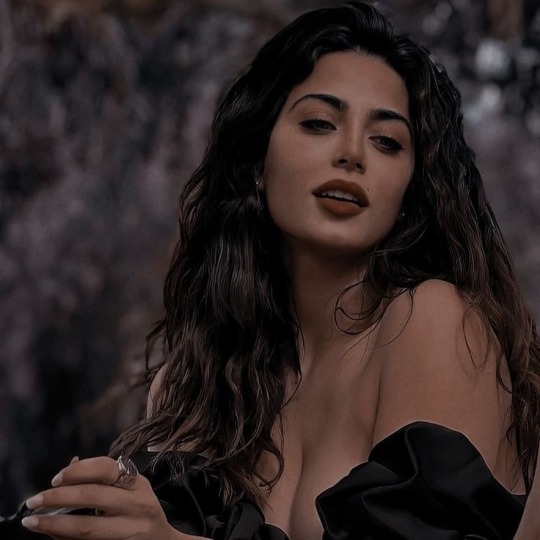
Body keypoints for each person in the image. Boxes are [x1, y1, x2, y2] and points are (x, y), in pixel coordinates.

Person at [11, 1, 540, 539]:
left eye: (387, 141)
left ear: (410, 191)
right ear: (257, 163)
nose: (352, 154)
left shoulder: (431, 320)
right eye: (319, 123)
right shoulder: (191, 384)